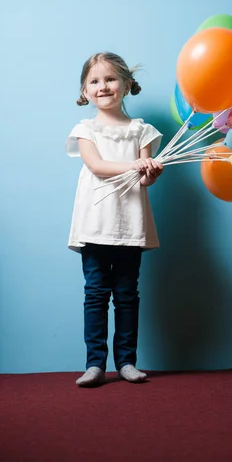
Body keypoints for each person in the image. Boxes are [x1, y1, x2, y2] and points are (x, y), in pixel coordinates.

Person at [66, 52, 163, 387]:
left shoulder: (142, 131)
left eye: (110, 79)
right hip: (95, 222)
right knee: (95, 292)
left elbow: (145, 179)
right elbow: (97, 166)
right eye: (95, 80)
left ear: (126, 85)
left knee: (126, 293)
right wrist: (135, 166)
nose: (102, 86)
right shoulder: (85, 129)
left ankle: (127, 362)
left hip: (129, 222)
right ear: (85, 91)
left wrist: (150, 171)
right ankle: (95, 364)